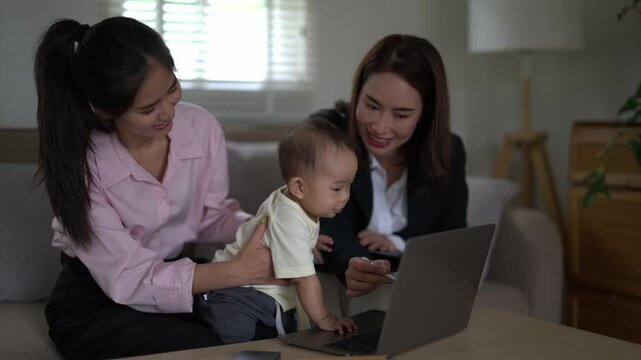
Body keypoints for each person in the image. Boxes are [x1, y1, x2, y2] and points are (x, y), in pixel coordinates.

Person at [34, 17, 284, 359]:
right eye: (148, 108)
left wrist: (271, 230)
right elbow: (129, 278)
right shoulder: (81, 166)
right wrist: (233, 272)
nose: (168, 113)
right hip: (98, 300)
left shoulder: (201, 126)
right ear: (104, 110)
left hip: (177, 276)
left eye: (172, 89)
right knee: (213, 349)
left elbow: (209, 216)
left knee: (269, 330)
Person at [312, 34, 468, 298]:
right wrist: (354, 264)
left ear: (425, 113)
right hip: (344, 287)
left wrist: (399, 244)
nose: (380, 127)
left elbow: (451, 240)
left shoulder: (449, 150)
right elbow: (332, 228)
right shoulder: (326, 135)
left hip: (420, 291)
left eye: (401, 115)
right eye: (372, 106)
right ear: (358, 92)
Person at [196, 118, 358, 344]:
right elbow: (304, 279)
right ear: (299, 187)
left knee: (281, 329)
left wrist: (307, 242)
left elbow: (282, 235)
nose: (345, 196)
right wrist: (325, 318)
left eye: (349, 185)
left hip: (260, 291)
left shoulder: (296, 204)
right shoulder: (289, 218)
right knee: (235, 336)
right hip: (235, 290)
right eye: (337, 188)